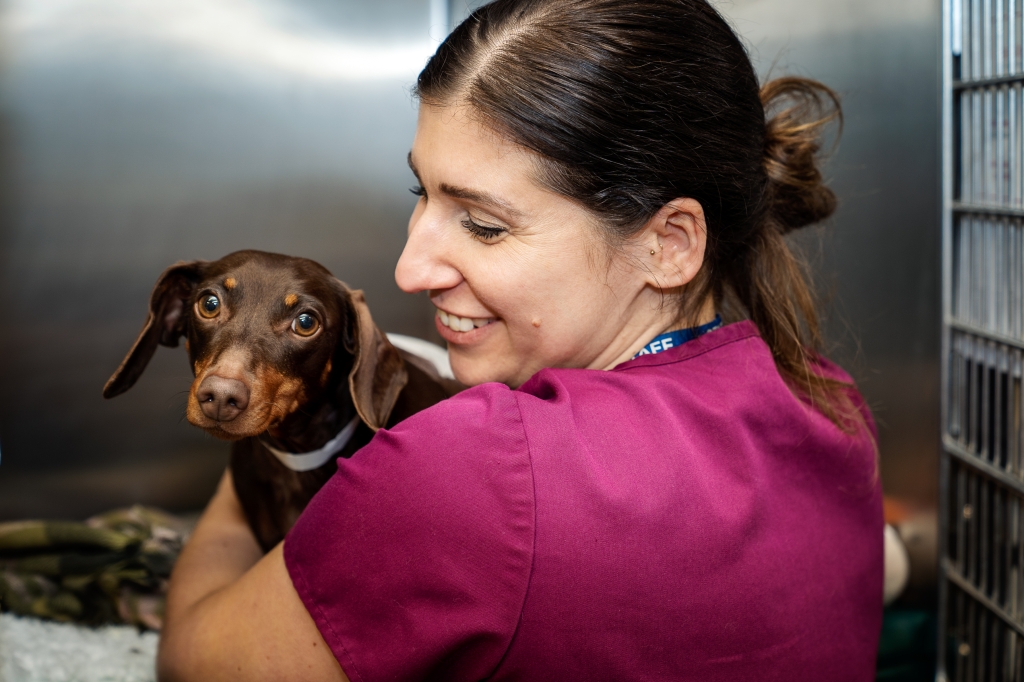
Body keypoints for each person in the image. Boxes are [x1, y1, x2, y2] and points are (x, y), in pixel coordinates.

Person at [156, 0, 882, 679]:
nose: (410, 269)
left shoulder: (474, 472)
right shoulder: (829, 400)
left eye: (484, 224)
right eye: (424, 194)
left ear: (669, 244)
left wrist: (272, 432)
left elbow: (194, 660)